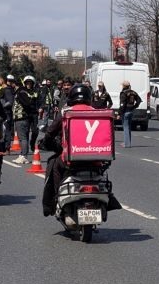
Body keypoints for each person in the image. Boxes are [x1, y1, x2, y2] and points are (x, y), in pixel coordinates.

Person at [41, 84, 122, 217]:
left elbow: (50, 132)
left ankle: (55, 200)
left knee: (53, 165)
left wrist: (46, 142)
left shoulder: (65, 112)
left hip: (71, 161)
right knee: (103, 174)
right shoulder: (97, 112)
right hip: (96, 160)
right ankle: (109, 198)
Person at [13, 75, 39, 163]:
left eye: (30, 83)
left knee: (22, 138)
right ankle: (22, 155)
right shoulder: (27, 92)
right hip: (25, 117)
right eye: (27, 83)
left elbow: (27, 103)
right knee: (24, 137)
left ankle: (24, 156)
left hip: (21, 117)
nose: (28, 84)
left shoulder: (21, 91)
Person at [119, 80, 141, 148]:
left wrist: (119, 113)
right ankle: (128, 142)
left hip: (125, 111)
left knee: (125, 127)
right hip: (131, 111)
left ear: (124, 86)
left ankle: (127, 144)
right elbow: (139, 100)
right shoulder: (133, 92)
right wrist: (134, 106)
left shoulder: (123, 93)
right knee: (128, 127)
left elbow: (122, 104)